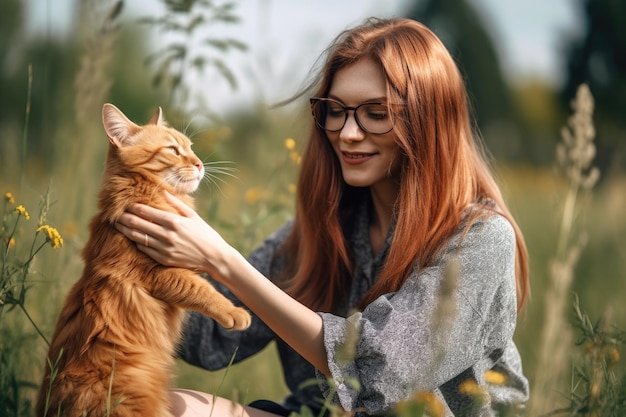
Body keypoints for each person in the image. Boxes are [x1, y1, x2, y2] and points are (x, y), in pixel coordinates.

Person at [115, 17, 530, 417]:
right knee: (162, 408)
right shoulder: (318, 233)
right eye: (336, 109)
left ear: (427, 119)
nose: (347, 132)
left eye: (376, 112)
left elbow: (384, 374)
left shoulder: (479, 238)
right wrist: (137, 252)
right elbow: (210, 340)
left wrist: (222, 260)